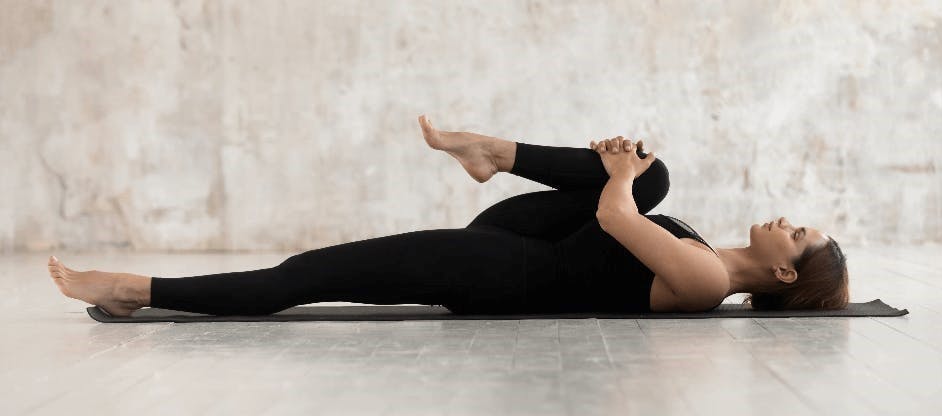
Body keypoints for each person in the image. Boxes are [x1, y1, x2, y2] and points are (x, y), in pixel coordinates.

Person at [46, 115, 848, 317]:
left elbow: (613, 220)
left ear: (784, 271)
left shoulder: (705, 281)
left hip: (502, 275)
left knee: (306, 277)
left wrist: (618, 175)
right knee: (657, 172)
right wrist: (632, 169)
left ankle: (136, 289)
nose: (789, 219)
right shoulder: (704, 248)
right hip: (522, 242)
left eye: (800, 233)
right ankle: (490, 151)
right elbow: (616, 205)